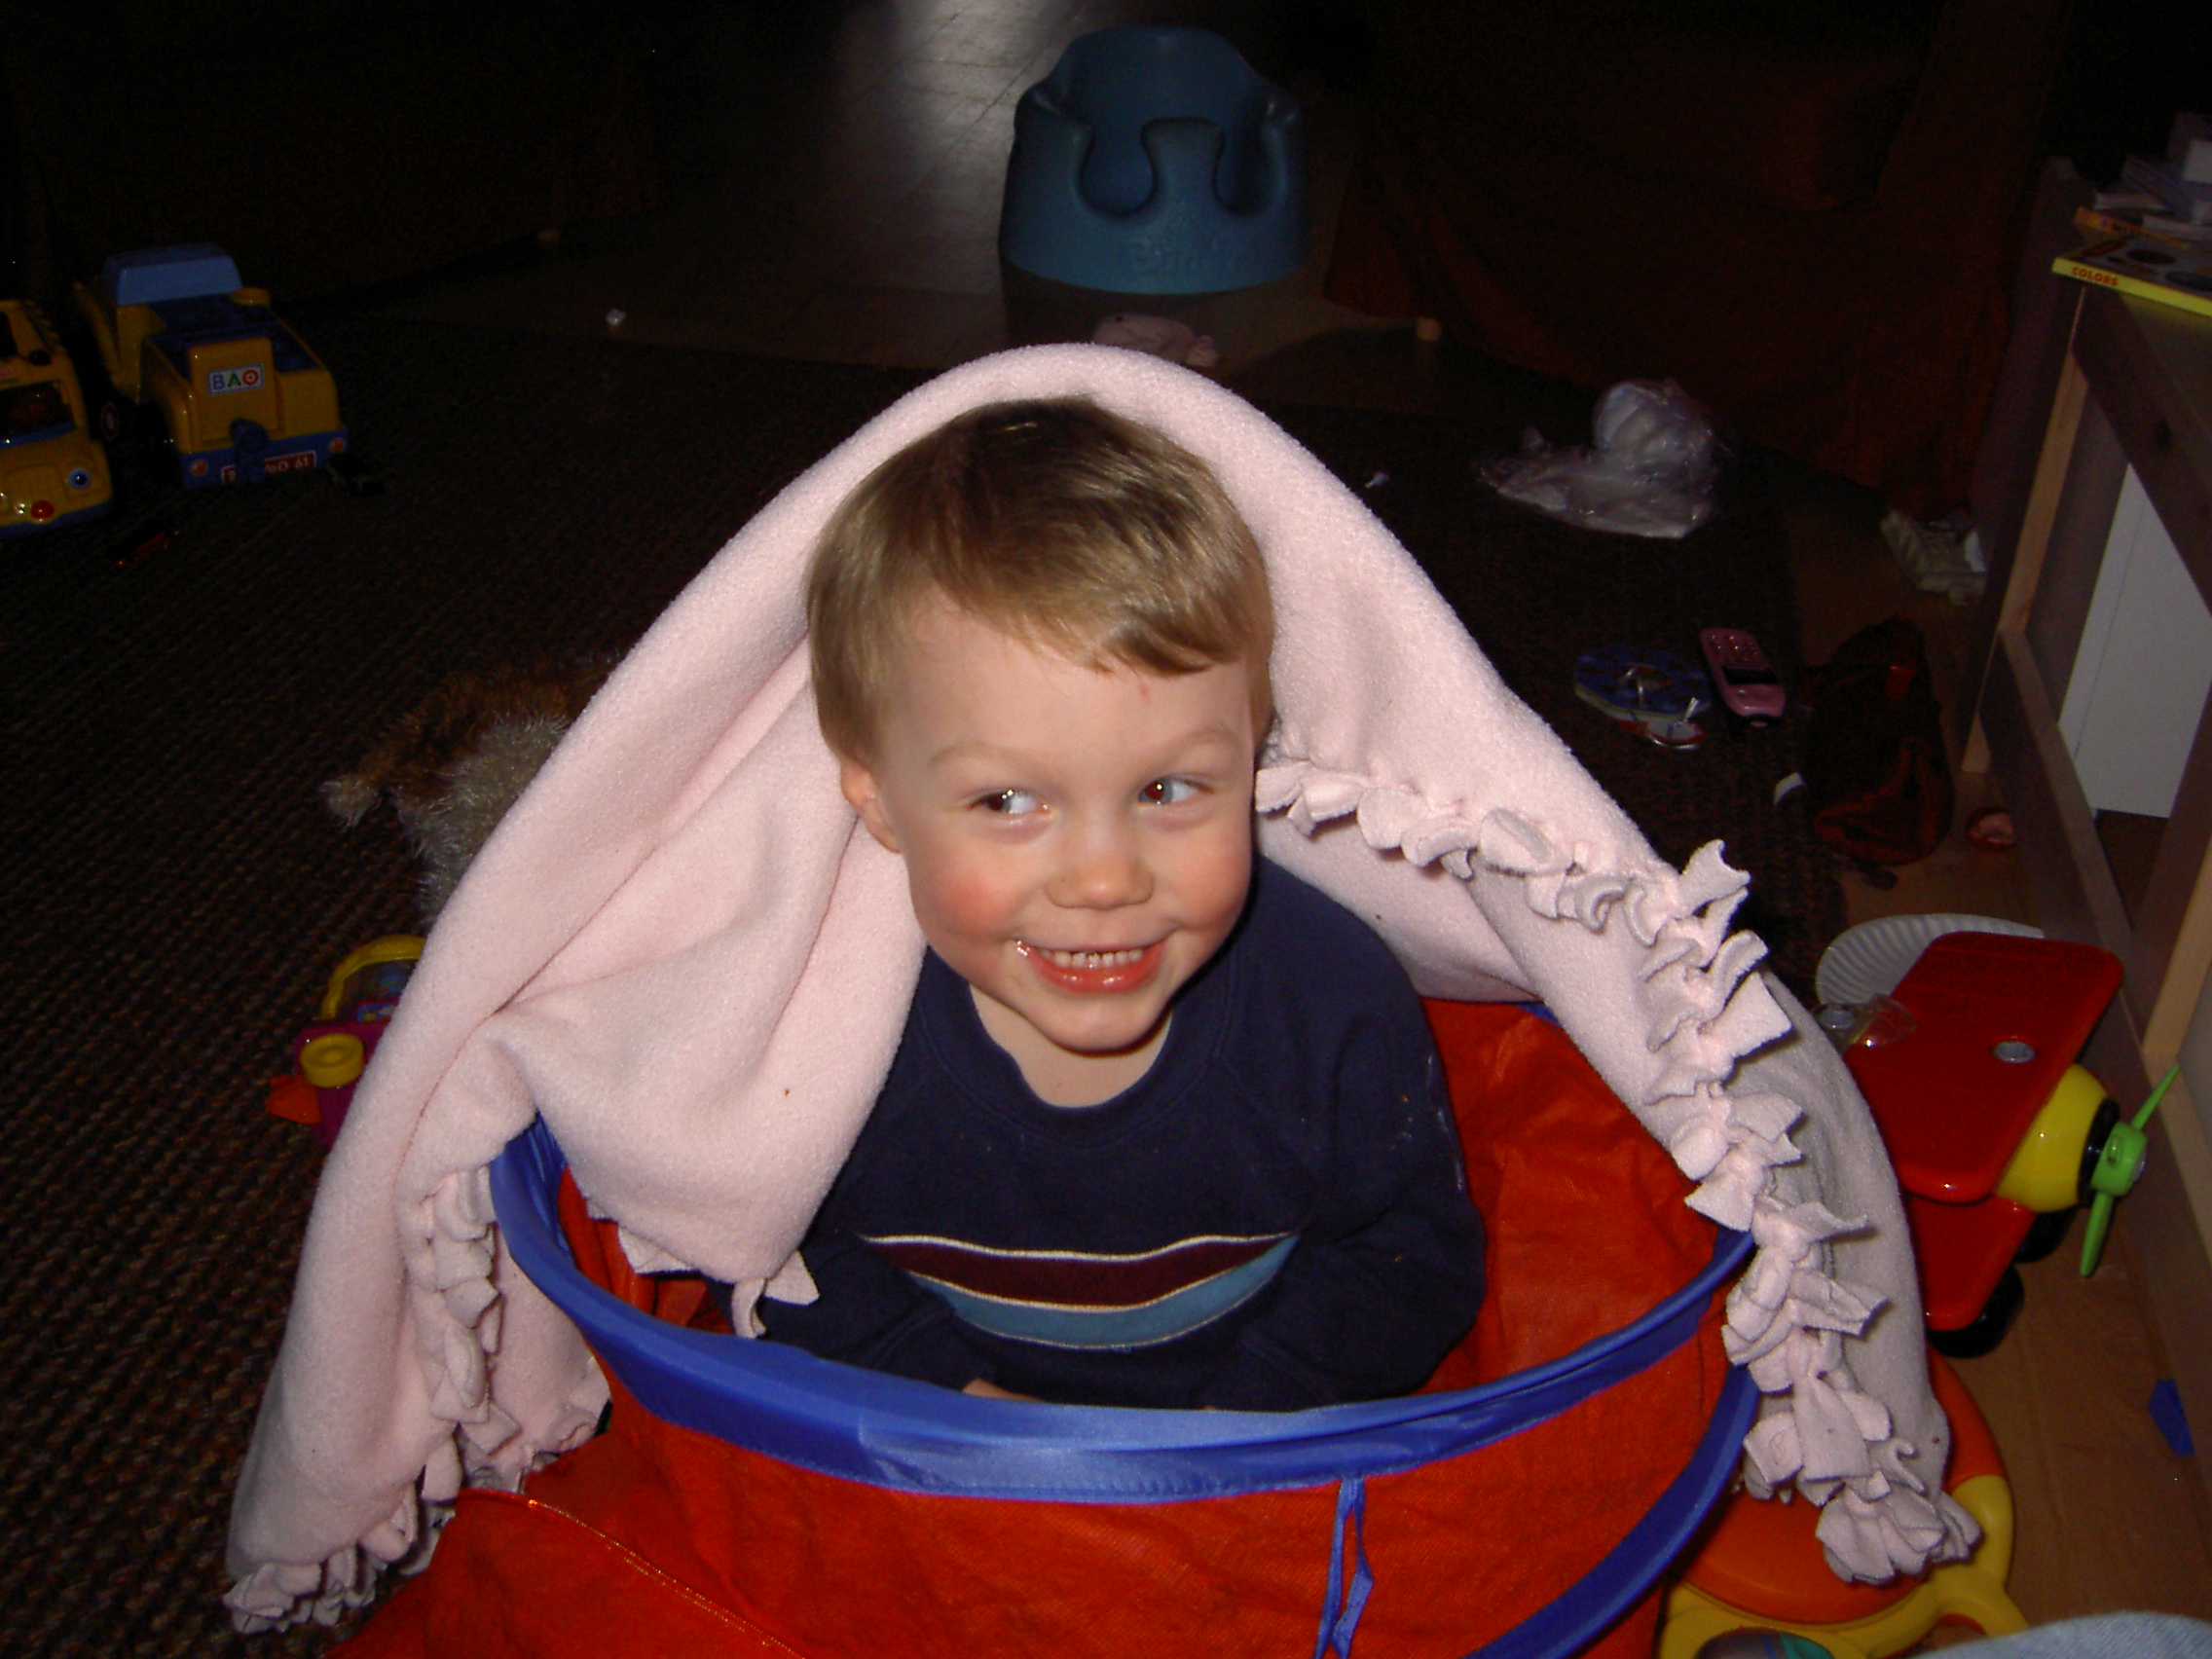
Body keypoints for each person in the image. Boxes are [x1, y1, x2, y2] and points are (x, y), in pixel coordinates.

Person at [726, 395, 1485, 1411]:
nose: (1104, 879)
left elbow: (1408, 1256)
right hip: (928, 1445)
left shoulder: (1331, 1002)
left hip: (1249, 1451)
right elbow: (768, 1245)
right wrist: (953, 1401)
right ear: (878, 802)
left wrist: (1230, 1431)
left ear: (1254, 755)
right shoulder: (809, 1031)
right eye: (1008, 801)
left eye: (1168, 789)